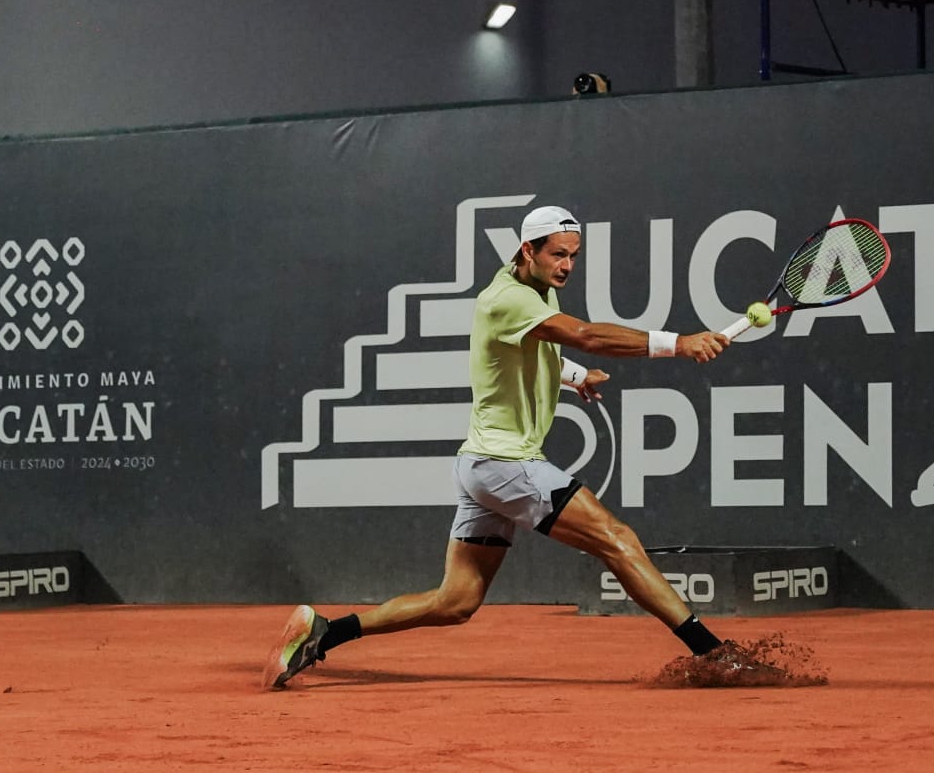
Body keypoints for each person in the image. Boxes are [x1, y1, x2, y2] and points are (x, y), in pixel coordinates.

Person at [265, 204, 752, 688]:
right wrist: (679, 343)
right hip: (507, 463)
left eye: (574, 256)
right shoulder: (507, 299)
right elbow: (584, 335)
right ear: (527, 250)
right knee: (617, 539)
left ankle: (324, 633)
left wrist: (575, 377)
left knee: (455, 602)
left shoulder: (534, 289)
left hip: (481, 465)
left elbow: (531, 348)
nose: (567, 265)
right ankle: (714, 653)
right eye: (558, 254)